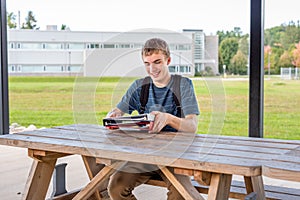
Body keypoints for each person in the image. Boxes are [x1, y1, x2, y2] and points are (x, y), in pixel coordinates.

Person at [106, 38, 200, 200]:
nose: (152, 68)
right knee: (116, 187)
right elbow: (118, 111)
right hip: (144, 155)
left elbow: (192, 126)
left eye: (157, 62)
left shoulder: (182, 85)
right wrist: (114, 115)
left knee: (180, 195)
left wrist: (169, 119)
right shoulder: (139, 86)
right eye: (147, 63)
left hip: (176, 156)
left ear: (168, 60)